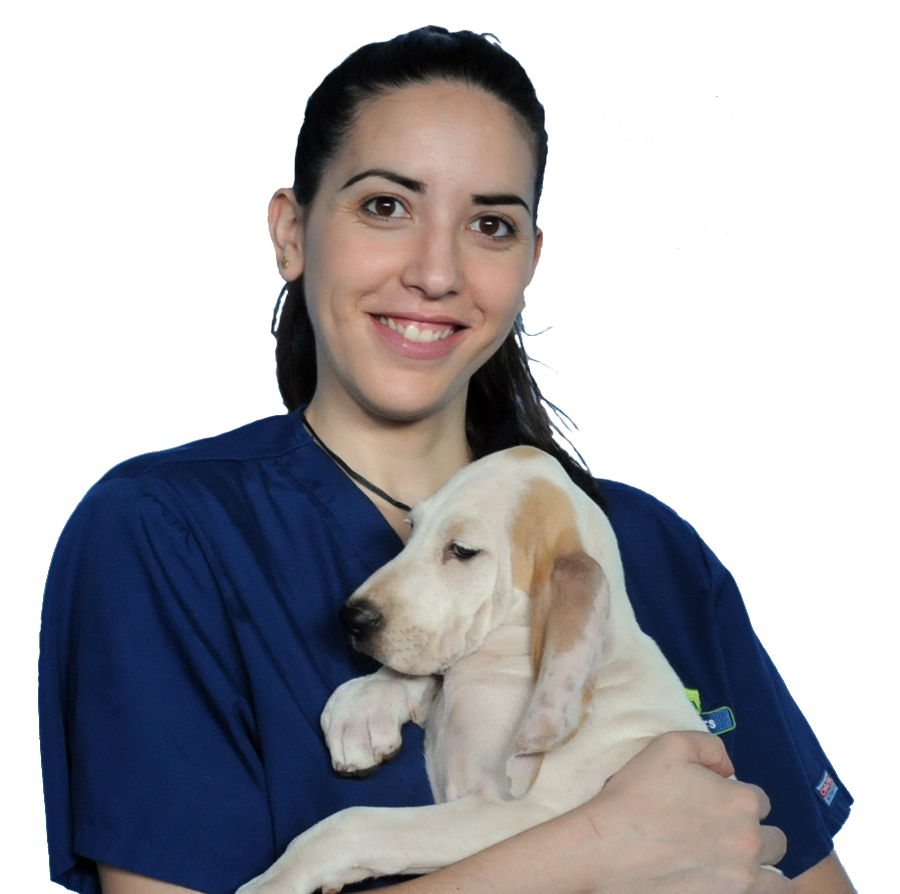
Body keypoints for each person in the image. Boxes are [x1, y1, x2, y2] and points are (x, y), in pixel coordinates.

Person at [39, 24, 855, 894]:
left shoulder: (650, 549)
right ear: (291, 232)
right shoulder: (165, 535)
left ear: (531, 262)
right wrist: (596, 847)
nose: (437, 272)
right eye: (385, 207)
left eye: (490, 224)